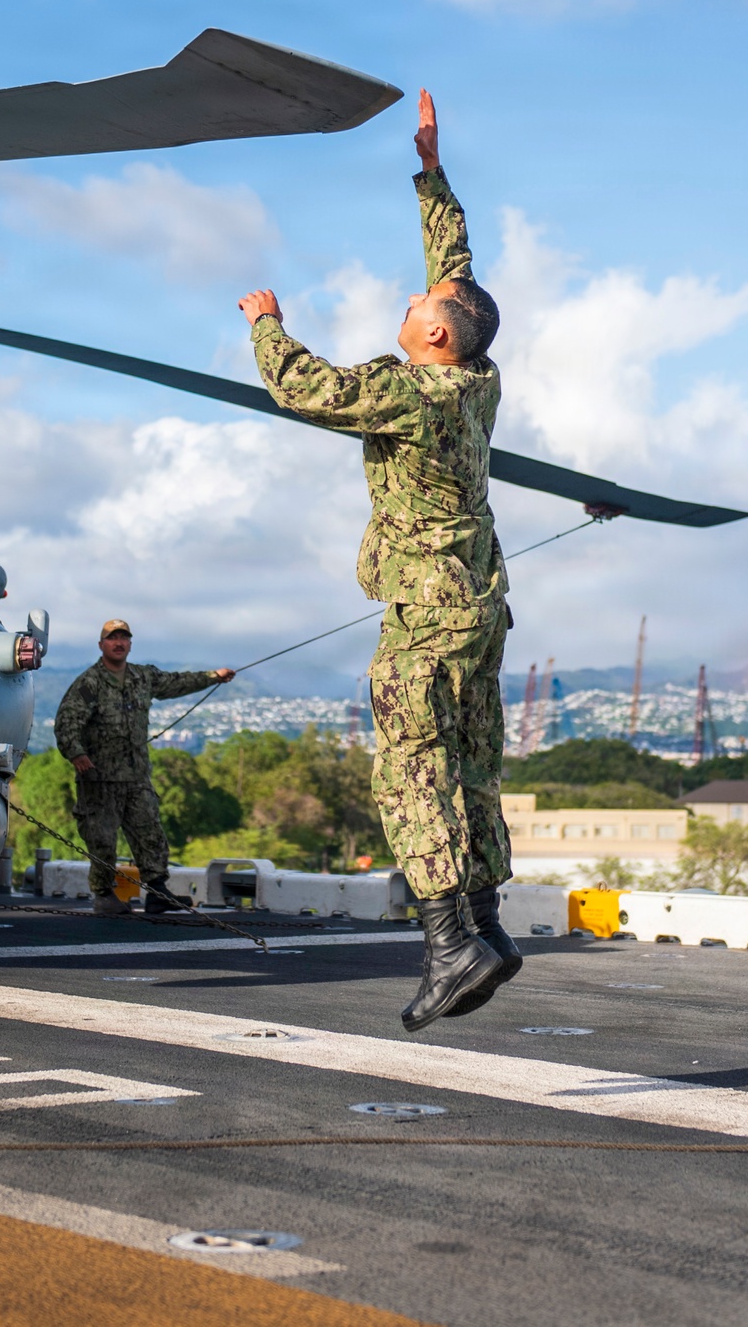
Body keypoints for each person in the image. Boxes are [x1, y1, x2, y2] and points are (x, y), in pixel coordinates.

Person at [238, 90, 522, 1031]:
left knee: (410, 770)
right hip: (480, 606)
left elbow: (303, 387)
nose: (409, 302)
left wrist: (266, 321)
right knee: (472, 761)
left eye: (416, 304)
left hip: (428, 615)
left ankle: (451, 946)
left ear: (434, 335)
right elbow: (460, 275)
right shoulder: (475, 381)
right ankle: (485, 916)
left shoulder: (410, 396)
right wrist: (433, 174)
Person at [54, 619, 235, 916]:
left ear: (130, 644)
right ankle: (104, 894)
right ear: (102, 645)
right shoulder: (89, 684)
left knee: (150, 832)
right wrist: (76, 753)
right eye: (112, 638)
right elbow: (67, 721)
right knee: (101, 838)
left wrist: (213, 676)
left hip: (136, 775)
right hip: (100, 779)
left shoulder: (142, 677)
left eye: (124, 638)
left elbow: (176, 682)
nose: (119, 643)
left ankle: (157, 891)